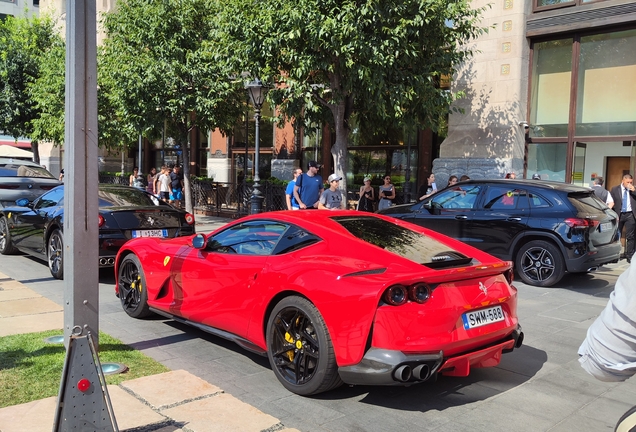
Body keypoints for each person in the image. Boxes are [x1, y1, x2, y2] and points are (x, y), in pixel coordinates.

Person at [610, 174, 636, 263]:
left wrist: (634, 190)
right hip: (619, 214)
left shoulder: (634, 189)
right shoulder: (615, 189)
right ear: (623, 181)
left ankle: (630, 256)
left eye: (631, 182)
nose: (629, 184)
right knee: (617, 235)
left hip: (630, 215)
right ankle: (615, 256)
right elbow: (611, 201)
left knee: (631, 236)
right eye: (627, 182)